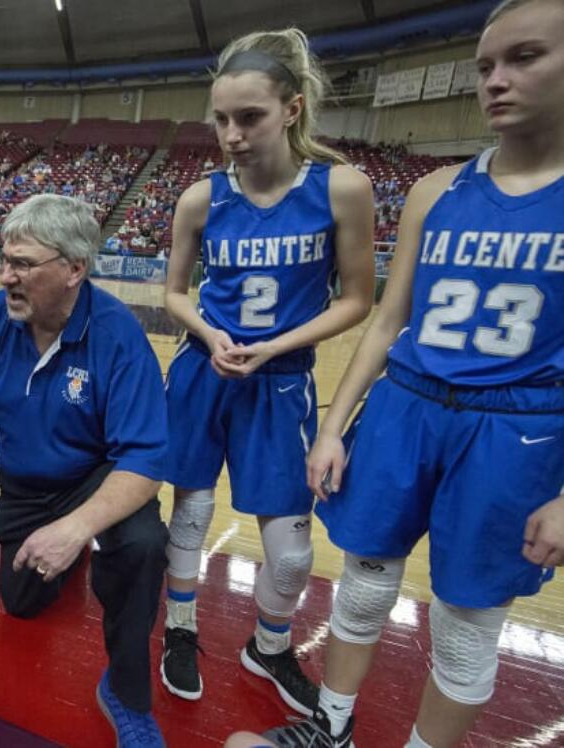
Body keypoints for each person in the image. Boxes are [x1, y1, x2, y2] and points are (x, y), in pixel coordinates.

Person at [262, 2, 564, 745]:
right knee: (363, 587)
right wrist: (333, 427)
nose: (497, 79)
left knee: (466, 624)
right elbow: (388, 321)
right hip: (406, 409)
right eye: (487, 65)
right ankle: (329, 728)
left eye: (525, 58)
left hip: (516, 430)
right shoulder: (436, 191)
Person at [0, 194, 171, 747]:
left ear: (74, 269)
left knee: (142, 542)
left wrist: (77, 529)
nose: (5, 277)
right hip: (26, 486)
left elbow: (144, 464)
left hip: (97, 477)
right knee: (21, 605)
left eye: (23, 264)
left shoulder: (119, 336)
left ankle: (125, 692)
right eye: (4, 260)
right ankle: (64, 553)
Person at [161, 28, 375, 714]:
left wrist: (276, 347)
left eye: (248, 116)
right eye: (220, 118)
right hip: (204, 371)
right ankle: (180, 628)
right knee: (190, 513)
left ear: (292, 107)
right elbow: (172, 294)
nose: (231, 134)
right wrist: (211, 333)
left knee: (288, 554)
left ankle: (271, 646)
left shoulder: (342, 188)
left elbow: (358, 301)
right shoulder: (200, 198)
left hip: (282, 385)